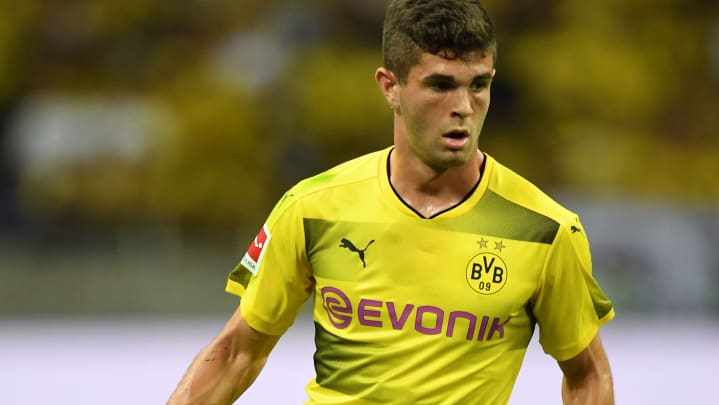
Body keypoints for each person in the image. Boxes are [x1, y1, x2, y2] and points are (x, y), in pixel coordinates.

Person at [167, 0, 615, 404]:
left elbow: (587, 374)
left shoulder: (546, 230)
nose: (463, 106)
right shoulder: (312, 207)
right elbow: (235, 353)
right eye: (440, 85)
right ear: (389, 87)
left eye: (478, 85)